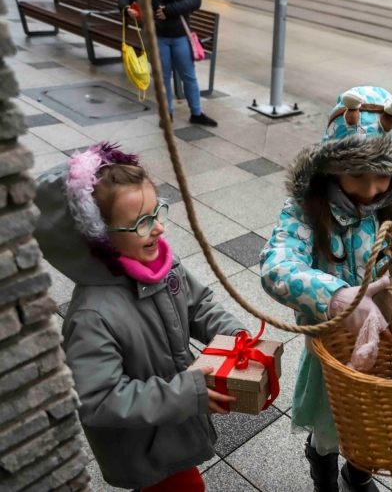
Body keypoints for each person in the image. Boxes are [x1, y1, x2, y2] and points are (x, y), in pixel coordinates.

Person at [260, 86, 392, 492]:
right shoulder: (306, 209)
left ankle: (358, 473)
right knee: (331, 423)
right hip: (334, 346)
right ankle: (322, 467)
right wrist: (338, 297)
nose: (372, 189)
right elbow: (277, 266)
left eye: (383, 175)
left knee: (377, 422)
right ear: (331, 167)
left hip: (390, 341)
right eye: (358, 174)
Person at [34, 143, 247, 491]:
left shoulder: (163, 265)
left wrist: (233, 335)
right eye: (142, 223)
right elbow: (99, 399)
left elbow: (199, 306)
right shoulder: (92, 315)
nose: (159, 229)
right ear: (98, 239)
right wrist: (184, 394)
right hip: (143, 446)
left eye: (158, 212)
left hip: (173, 421)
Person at [119, 0, 217, 127]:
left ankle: (197, 113)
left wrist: (170, 11)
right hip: (157, 35)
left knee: (189, 76)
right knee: (163, 77)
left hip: (180, 35)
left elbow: (195, 0)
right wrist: (125, 7)